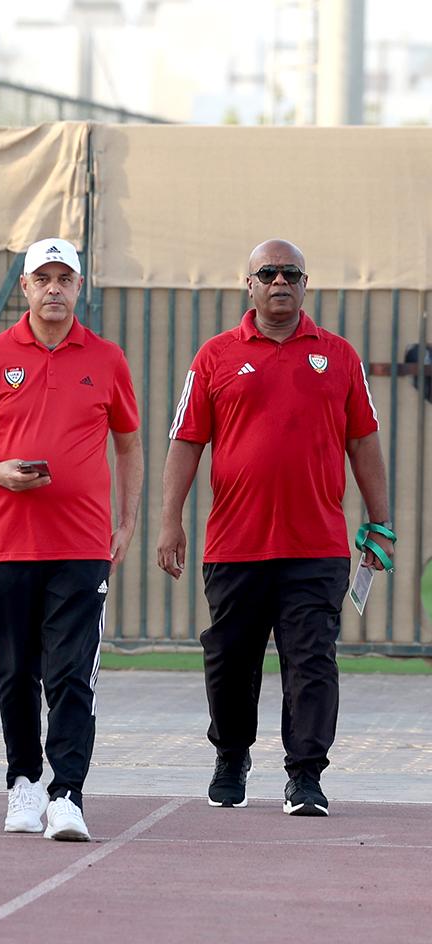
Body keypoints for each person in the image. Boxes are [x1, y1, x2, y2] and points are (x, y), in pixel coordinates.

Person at [158, 239, 392, 818]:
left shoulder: (338, 356)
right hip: (235, 544)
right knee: (231, 659)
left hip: (317, 546)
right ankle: (231, 756)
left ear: (305, 284)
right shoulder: (213, 356)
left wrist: (380, 523)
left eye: (291, 273)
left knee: (312, 659)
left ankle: (306, 776)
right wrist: (170, 522)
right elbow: (187, 443)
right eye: (268, 273)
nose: (280, 281)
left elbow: (363, 441)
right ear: (250, 284)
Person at [0, 237, 142, 843]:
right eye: (43, 278)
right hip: (6, 546)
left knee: (71, 674)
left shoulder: (107, 358)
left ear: (79, 287)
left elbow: (130, 444)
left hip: (82, 546)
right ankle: (23, 784)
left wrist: (128, 522)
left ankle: (68, 794)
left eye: (65, 278)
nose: (54, 288)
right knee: (15, 673)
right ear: (25, 287)